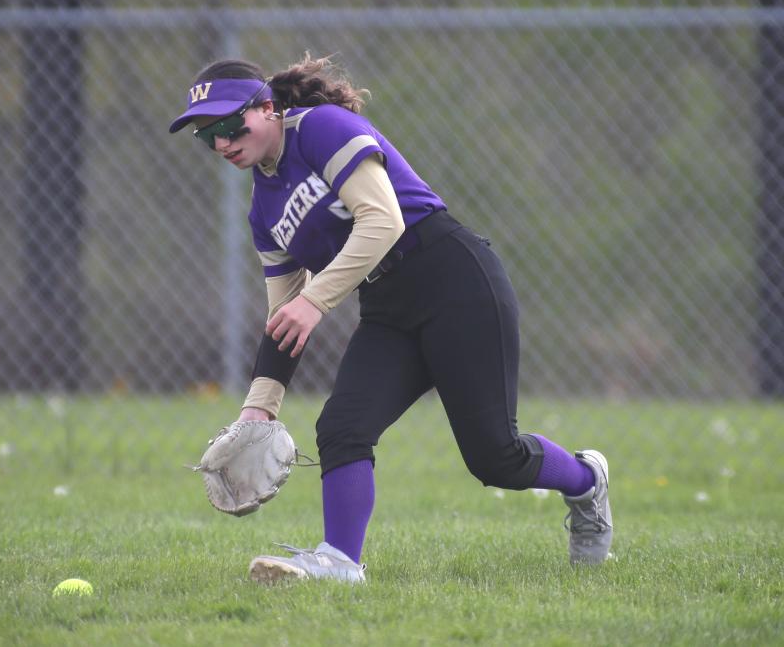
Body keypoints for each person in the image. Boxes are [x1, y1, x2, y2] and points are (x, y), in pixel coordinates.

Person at [169, 54, 612, 583]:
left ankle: (587, 480)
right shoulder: (263, 210)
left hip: (454, 280)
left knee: (495, 457)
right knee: (341, 428)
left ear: (267, 107)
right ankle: (340, 561)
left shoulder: (320, 129)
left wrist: (315, 301)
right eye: (206, 135)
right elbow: (282, 318)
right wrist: (257, 411)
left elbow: (383, 222)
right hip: (387, 308)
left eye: (228, 124)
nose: (221, 143)